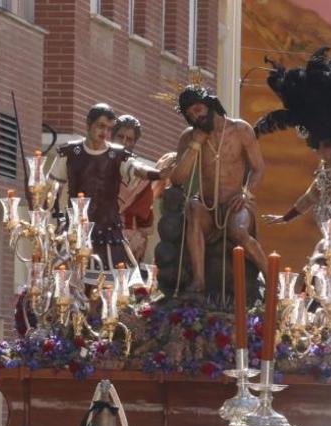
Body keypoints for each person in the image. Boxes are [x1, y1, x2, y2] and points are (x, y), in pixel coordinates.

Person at [257, 46, 331, 228]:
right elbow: (310, 197)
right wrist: (285, 218)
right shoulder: (323, 169)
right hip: (327, 233)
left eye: (319, 146)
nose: (318, 151)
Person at [169, 85, 269, 291]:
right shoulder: (188, 138)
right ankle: (199, 280)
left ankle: (272, 279)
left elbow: (258, 168)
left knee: (238, 231)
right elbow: (178, 178)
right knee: (192, 208)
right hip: (206, 204)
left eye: (198, 109)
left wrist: (246, 193)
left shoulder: (241, 130)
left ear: (210, 104)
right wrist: (195, 144)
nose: (196, 116)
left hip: (237, 202)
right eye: (190, 114)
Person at [49, 103, 173, 269]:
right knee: (63, 281)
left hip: (108, 233)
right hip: (75, 230)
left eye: (108, 128)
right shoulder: (70, 152)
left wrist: (157, 174)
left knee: (115, 287)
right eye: (101, 126)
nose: (104, 132)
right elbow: (52, 188)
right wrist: (57, 219)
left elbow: (136, 168)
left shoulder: (117, 155)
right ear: (88, 124)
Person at [114, 115, 175, 263]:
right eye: (120, 136)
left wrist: (139, 238)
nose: (124, 142)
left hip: (129, 237)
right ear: (112, 135)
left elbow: (144, 213)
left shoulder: (141, 173)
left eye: (129, 139)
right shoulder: (99, 163)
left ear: (135, 142)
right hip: (96, 231)